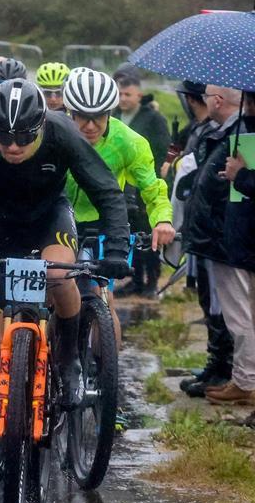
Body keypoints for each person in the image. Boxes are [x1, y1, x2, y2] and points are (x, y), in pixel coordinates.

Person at [0, 79, 130, 481]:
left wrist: (117, 248)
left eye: (23, 138)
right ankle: (0, 432)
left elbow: (106, 191)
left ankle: (67, 362)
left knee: (57, 275)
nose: (13, 147)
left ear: (41, 128)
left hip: (49, 219)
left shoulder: (62, 132)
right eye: (5, 138)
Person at [61, 68, 175, 339]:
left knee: (105, 299)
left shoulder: (129, 142)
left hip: (105, 223)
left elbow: (152, 187)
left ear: (110, 112)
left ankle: (108, 375)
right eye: (82, 117)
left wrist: (162, 219)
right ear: (69, 112)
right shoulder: (54, 132)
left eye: (98, 117)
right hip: (60, 220)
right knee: (57, 293)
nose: (90, 126)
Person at [183, 87, 255, 406]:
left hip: (235, 240)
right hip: (231, 238)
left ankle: (245, 381)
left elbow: (244, 198)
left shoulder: (245, 134)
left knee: (240, 316)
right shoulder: (235, 132)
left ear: (218, 100)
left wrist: (239, 176)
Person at [170, 80, 235, 397]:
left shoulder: (234, 134)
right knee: (210, 302)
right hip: (206, 234)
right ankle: (217, 363)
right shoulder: (213, 132)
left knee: (224, 306)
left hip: (221, 236)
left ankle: (226, 369)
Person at [114, 71, 171, 297]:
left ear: (139, 95)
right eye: (120, 94)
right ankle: (135, 279)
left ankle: (152, 281)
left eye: (128, 94)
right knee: (132, 236)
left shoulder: (153, 118)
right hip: (123, 187)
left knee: (149, 237)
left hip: (145, 182)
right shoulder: (114, 115)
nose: (123, 98)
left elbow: (161, 148)